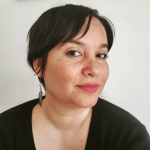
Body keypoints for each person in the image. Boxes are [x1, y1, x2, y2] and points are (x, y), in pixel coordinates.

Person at [0, 4, 150, 150]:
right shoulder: (4, 132)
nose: (94, 69)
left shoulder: (128, 136)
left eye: (101, 55)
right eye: (74, 53)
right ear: (39, 65)